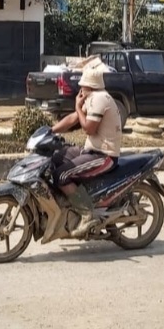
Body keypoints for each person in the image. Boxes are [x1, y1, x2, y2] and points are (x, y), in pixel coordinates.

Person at [51, 67, 122, 238]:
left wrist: (77, 106)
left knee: (61, 175)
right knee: (56, 158)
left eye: (82, 85)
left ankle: (86, 214)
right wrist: (50, 131)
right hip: (90, 150)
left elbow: (89, 128)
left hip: (104, 155)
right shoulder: (92, 98)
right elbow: (73, 118)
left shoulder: (100, 99)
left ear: (90, 85)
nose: (80, 89)